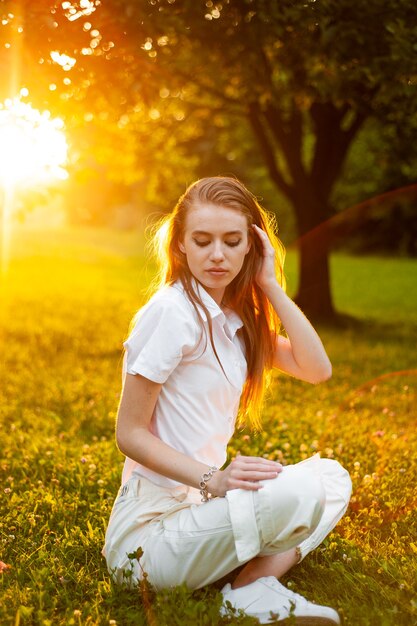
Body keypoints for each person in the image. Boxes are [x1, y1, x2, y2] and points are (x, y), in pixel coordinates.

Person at [102, 176, 352, 625]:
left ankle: (247, 589)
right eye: (202, 241)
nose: (217, 254)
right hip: (147, 542)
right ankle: (250, 586)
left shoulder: (236, 321)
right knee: (298, 493)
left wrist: (270, 286)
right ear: (181, 246)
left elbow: (318, 369)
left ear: (249, 247)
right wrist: (214, 480)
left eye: (232, 241)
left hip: (202, 515)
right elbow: (130, 433)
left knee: (331, 478)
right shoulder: (171, 312)